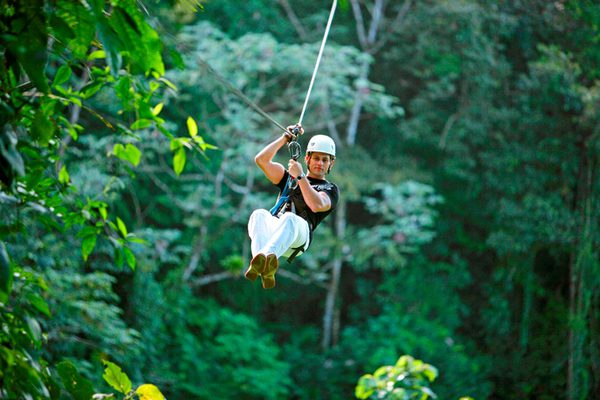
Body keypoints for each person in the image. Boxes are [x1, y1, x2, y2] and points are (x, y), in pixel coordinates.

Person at [246, 124, 340, 289]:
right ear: (307, 159)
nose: (320, 163)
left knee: (290, 218)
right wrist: (284, 138)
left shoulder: (330, 189)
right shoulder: (290, 178)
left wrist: (300, 176)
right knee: (259, 214)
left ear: (331, 163)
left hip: (299, 238)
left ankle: (266, 257)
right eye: (316, 158)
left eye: (325, 160)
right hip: (277, 233)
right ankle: (261, 263)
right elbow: (261, 160)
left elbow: (316, 204)